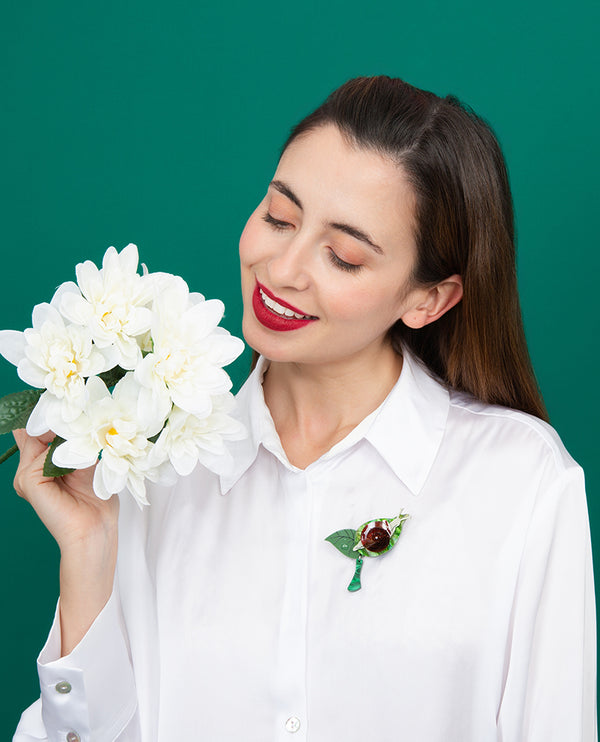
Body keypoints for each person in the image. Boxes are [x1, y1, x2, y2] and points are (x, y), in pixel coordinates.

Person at [13, 76, 596, 741]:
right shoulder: (152, 471)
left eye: (343, 257)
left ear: (428, 300)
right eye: (279, 217)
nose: (283, 268)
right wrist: (90, 555)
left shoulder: (521, 484)